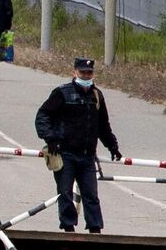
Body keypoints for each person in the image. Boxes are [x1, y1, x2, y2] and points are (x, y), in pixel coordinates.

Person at [34, 58, 121, 233]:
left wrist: (112, 145)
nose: (86, 76)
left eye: (89, 73)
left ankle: (95, 229)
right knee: (65, 193)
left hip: (88, 155)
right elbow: (43, 116)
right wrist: (50, 138)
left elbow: (103, 125)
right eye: (83, 73)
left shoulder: (97, 95)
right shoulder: (61, 93)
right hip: (65, 153)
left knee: (91, 195)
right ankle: (68, 227)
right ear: (75, 72)